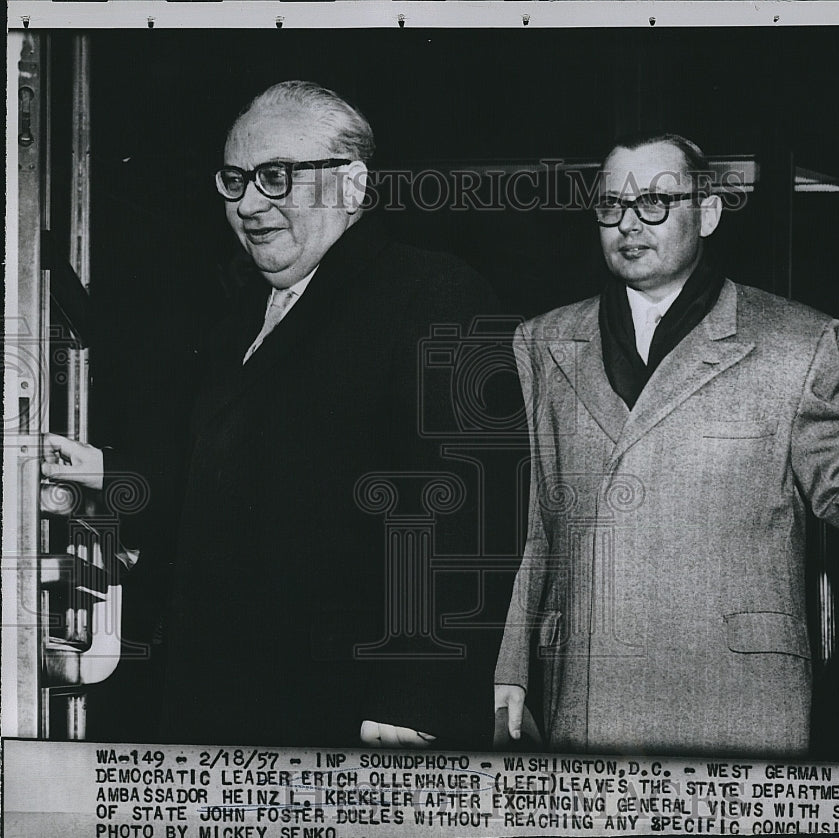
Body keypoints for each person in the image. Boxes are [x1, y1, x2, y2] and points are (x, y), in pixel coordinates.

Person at [44, 80, 516, 749]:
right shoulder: (246, 312)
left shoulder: (436, 295)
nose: (248, 204)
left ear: (352, 186)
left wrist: (415, 698)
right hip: (229, 702)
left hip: (354, 711)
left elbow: (468, 522)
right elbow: (227, 491)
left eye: (275, 177)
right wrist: (99, 471)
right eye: (234, 180)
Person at [493, 132, 839, 757]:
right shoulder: (543, 341)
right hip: (586, 681)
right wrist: (509, 668)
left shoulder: (794, 341)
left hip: (734, 691)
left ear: (707, 213)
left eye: (655, 201)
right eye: (611, 204)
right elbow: (539, 522)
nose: (629, 222)